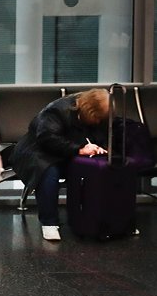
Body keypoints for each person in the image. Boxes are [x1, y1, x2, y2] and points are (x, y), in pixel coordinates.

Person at [9, 88, 110, 241]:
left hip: (66, 150)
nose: (98, 121)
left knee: (95, 167)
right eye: (96, 117)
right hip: (37, 151)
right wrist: (79, 149)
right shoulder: (57, 111)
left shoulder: (95, 115)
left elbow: (99, 134)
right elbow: (46, 138)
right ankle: (49, 222)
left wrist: (99, 147)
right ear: (90, 110)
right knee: (49, 171)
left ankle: (94, 218)